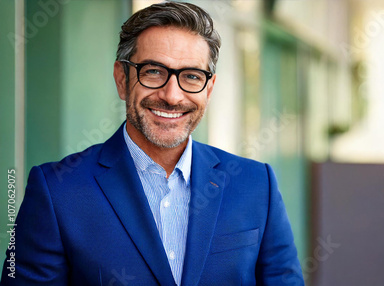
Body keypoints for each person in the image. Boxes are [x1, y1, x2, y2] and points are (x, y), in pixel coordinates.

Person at [1, 1, 304, 285]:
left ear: (209, 89)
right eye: (154, 72)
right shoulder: (55, 191)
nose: (172, 96)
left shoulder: (256, 184)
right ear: (123, 79)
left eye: (191, 76)